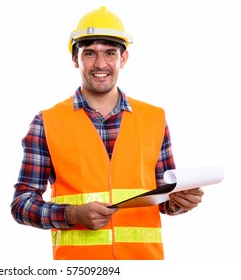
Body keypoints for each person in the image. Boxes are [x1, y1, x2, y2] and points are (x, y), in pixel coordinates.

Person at [10, 6, 204, 260]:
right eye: (89, 53)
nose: (100, 64)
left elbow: (164, 199)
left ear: (123, 58)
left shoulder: (155, 118)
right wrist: (71, 215)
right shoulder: (47, 122)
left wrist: (179, 201)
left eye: (110, 53)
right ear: (75, 59)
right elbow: (21, 204)